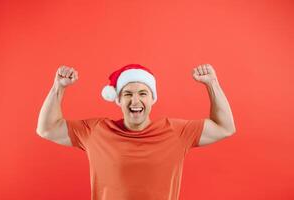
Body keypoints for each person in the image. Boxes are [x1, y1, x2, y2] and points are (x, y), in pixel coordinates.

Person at [36, 63, 236, 200]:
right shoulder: (96, 131)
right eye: (128, 94)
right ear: (118, 100)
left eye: (143, 93)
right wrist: (58, 88)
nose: (135, 101)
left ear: (152, 99)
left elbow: (225, 127)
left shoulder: (175, 132)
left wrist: (212, 84)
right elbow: (47, 128)